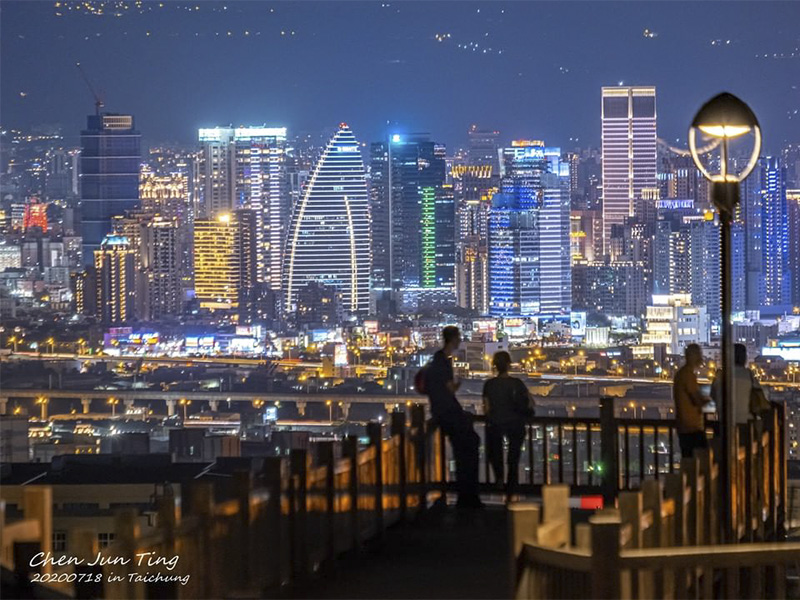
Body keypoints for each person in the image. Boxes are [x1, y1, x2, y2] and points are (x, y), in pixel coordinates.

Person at [425, 326, 482, 509]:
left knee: (463, 450)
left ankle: (463, 495)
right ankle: (468, 496)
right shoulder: (443, 361)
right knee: (470, 445)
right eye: (458, 338)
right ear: (452, 339)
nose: (460, 341)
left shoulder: (437, 360)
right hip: (448, 413)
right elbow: (450, 389)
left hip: (442, 412)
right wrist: (458, 384)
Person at [483, 351, 533, 497]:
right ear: (509, 365)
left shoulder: (489, 385)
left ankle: (499, 478)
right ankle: (512, 484)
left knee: (495, 452)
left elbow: (486, 408)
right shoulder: (517, 384)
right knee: (514, 455)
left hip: (495, 424)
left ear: (495, 366)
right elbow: (531, 403)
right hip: (516, 424)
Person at [710, 343, 769, 425]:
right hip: (746, 421)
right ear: (744, 358)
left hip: (724, 423)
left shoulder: (720, 374)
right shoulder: (748, 374)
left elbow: (713, 395)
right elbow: (760, 396)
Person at [673, 343, 711, 457]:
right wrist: (710, 399)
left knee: (688, 459)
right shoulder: (688, 375)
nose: (701, 357)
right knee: (700, 459)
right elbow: (696, 400)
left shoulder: (681, 374)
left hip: (684, 426)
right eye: (699, 354)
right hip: (692, 427)